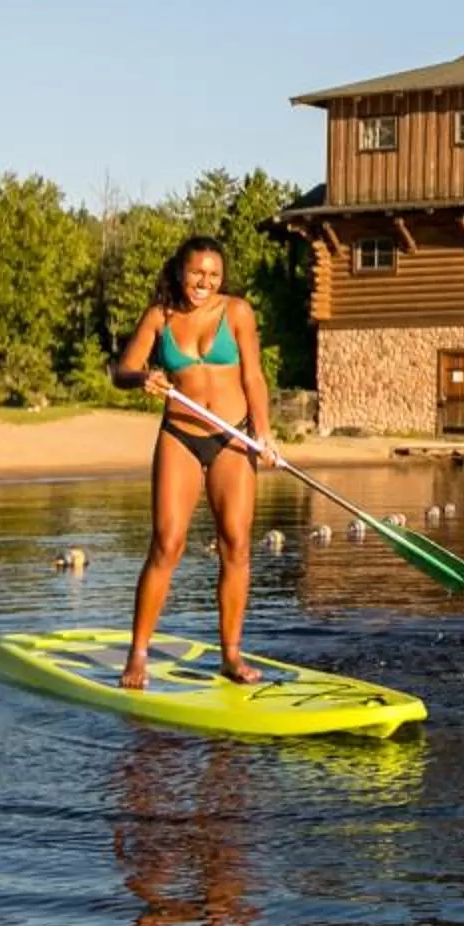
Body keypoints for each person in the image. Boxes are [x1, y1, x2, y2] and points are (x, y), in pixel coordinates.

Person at [110, 237, 275, 691]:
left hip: (232, 434)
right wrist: (143, 377)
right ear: (181, 270)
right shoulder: (159, 317)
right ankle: (138, 653)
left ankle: (231, 655)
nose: (205, 282)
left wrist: (262, 432)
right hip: (180, 435)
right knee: (167, 543)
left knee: (236, 544)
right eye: (197, 273)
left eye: (214, 275)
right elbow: (121, 371)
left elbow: (253, 376)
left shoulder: (237, 312)